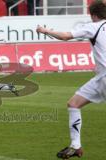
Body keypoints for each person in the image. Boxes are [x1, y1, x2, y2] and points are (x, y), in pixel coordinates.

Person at [37, 1, 106, 159]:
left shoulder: (93, 26)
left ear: (93, 15)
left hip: (104, 78)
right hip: (100, 78)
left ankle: (76, 145)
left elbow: (66, 36)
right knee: (73, 104)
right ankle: (75, 145)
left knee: (74, 104)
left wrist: (44, 30)